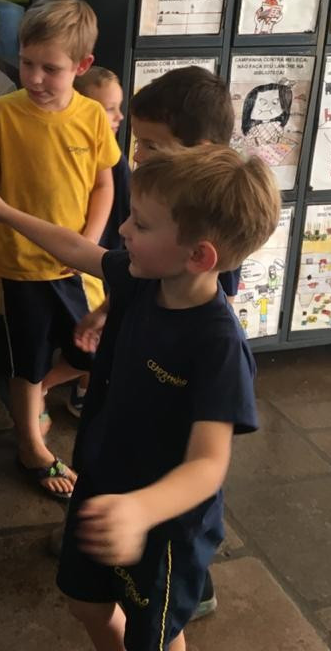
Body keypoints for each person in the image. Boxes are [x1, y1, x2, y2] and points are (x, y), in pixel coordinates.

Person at [0, 145, 280, 651]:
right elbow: (75, 248)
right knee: (85, 602)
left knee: (153, 636)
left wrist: (141, 510)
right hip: (103, 482)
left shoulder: (218, 345)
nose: (124, 230)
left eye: (141, 224)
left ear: (198, 256)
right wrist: (3, 212)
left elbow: (208, 464)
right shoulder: (140, 281)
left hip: (165, 526)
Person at [0, 0, 120, 499]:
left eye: (50, 69)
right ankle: (31, 444)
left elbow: (104, 184)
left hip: (77, 270)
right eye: (27, 63)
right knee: (23, 364)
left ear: (82, 66)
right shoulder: (4, 112)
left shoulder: (92, 117)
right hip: (17, 269)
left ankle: (42, 395)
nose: (33, 78)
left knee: (95, 350)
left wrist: (88, 244)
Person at [125, 64, 239, 621]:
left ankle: (192, 581)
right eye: (138, 142)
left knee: (191, 463)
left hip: (186, 377)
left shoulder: (205, 233)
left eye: (153, 145)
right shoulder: (161, 205)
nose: (138, 155)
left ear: (202, 153)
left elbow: (215, 310)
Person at [61, 66, 131, 417]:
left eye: (119, 107)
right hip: (87, 257)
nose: (120, 117)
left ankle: (85, 387)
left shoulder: (114, 158)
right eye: (109, 109)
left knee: (97, 331)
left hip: (104, 255)